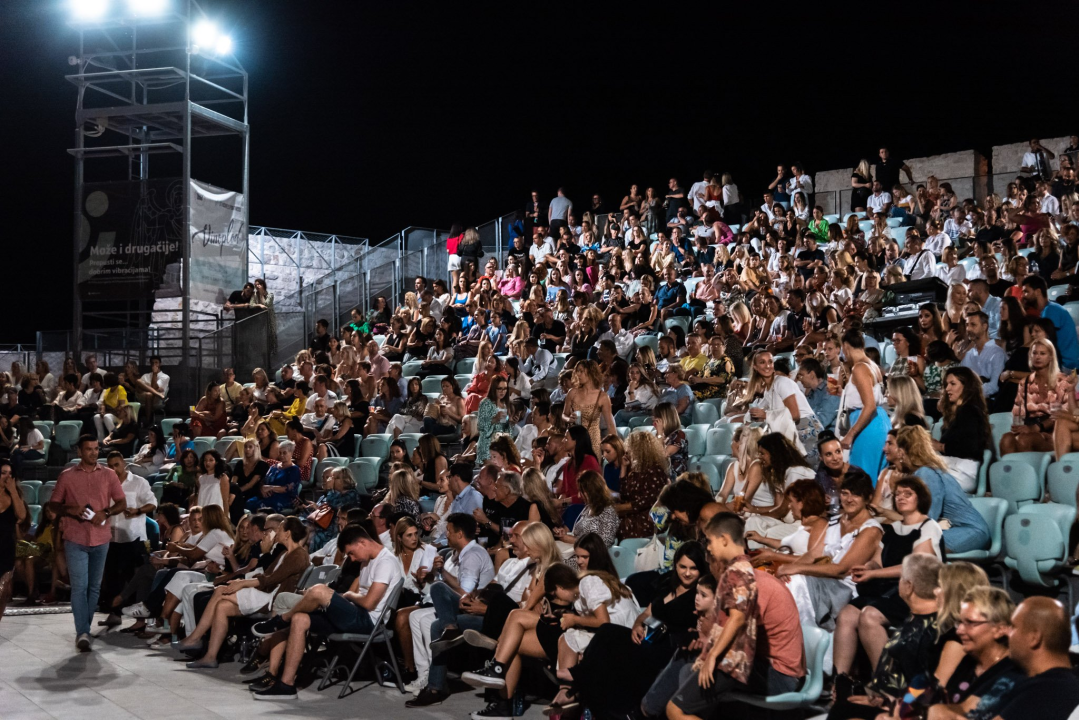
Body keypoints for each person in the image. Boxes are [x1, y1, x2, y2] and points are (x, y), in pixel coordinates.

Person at [827, 553, 944, 720]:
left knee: (843, 712)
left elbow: (925, 683)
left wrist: (894, 705)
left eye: (901, 580)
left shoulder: (927, 630)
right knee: (843, 708)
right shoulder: (916, 621)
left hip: (913, 709)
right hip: (899, 700)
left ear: (909, 586)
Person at [776, 468, 883, 631]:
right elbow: (813, 554)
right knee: (784, 580)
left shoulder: (871, 530)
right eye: (845, 493)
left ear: (867, 498)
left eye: (855, 495)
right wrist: (787, 570)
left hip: (844, 589)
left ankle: (803, 637)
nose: (849, 499)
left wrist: (796, 568)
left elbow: (841, 569)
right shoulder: (835, 521)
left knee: (797, 581)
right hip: (822, 580)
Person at [47, 435, 127, 651]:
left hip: (101, 538)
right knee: (79, 587)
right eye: (89, 449)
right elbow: (53, 505)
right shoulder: (67, 476)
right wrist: (70, 510)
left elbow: (122, 502)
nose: (93, 452)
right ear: (79, 452)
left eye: (96, 449)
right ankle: (82, 631)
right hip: (75, 538)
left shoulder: (109, 475)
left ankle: (84, 628)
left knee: (94, 587)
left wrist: (106, 512)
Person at [893, 426, 991, 554]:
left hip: (970, 532)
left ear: (901, 451)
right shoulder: (923, 471)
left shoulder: (926, 473)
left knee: (907, 546)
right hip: (952, 530)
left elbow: (927, 517)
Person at [991, 597, 1079, 720]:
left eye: (1013, 627)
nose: (1006, 633)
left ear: (1034, 638)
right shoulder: (1016, 670)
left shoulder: (1049, 689)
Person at [839, 328, 891, 478]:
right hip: (879, 421)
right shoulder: (873, 365)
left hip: (867, 426)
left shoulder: (859, 368)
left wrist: (850, 434)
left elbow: (869, 406)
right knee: (876, 475)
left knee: (862, 477)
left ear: (846, 347)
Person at [936, 367, 993, 493]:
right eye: (946, 384)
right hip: (952, 467)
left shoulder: (970, 411)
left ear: (966, 386)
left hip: (963, 472)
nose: (947, 389)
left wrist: (940, 447)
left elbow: (971, 448)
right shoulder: (954, 414)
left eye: (953, 384)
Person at [617, 431, 671, 540]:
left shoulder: (655, 470)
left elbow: (648, 501)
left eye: (630, 448)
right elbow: (624, 495)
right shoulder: (635, 470)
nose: (627, 451)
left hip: (650, 517)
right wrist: (623, 468)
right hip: (634, 514)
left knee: (621, 526)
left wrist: (621, 508)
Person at [1022, 275, 1079, 370]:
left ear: (1038, 292)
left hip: (1066, 365)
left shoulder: (1051, 310)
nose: (1023, 296)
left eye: (1026, 292)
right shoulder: (1047, 310)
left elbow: (1046, 343)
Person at [0, 459, 28, 621]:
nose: (7, 477)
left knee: (4, 592)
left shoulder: (13, 495)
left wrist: (13, 491)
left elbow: (22, 515)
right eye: (3, 473)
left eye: (10, 474)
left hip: (6, 549)